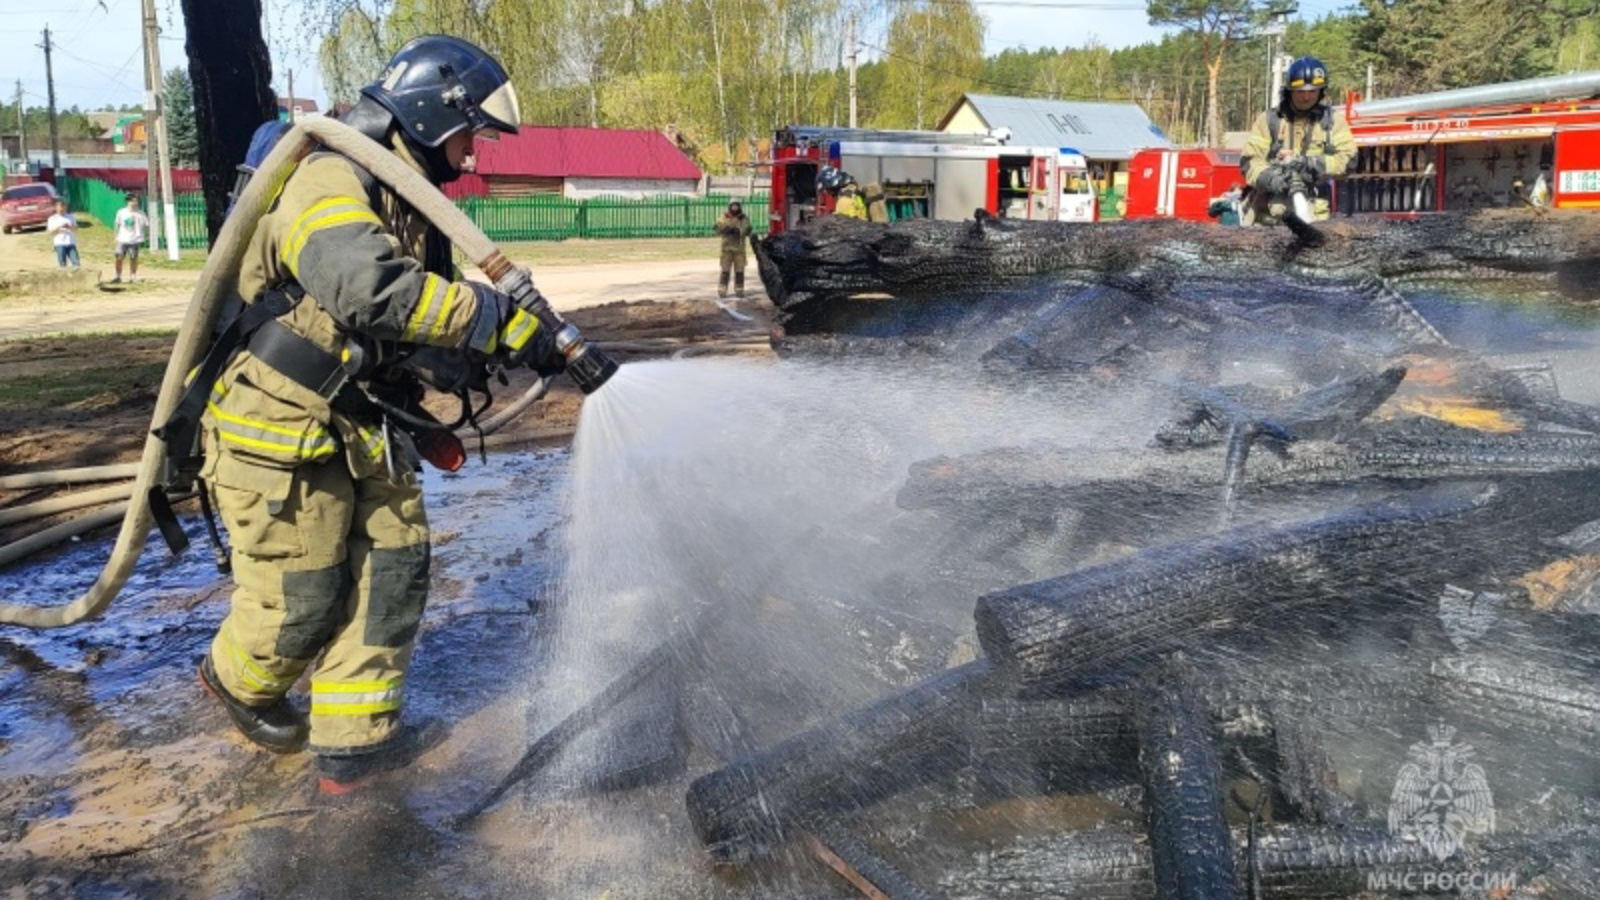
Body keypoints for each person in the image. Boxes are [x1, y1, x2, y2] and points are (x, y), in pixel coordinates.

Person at [193, 34, 566, 796]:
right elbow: (370, 289)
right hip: (279, 429)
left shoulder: (405, 198)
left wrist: (501, 351)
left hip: (363, 421)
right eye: (471, 135)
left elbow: (413, 326)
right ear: (432, 111)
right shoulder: (326, 174)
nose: (473, 157)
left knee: (394, 569)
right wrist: (494, 317)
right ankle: (238, 680)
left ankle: (353, 743)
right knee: (303, 595)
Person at [1240, 56, 1356, 226]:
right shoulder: (1269, 120)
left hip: (1315, 218)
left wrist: (1309, 164)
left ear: (1321, 91)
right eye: (1300, 91)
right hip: (1268, 219)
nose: (1306, 97)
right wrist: (1272, 178)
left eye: (1312, 91)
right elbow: (1249, 162)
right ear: (1289, 91)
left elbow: (1349, 162)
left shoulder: (1333, 122)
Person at [714, 199, 752, 299]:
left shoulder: (743, 218)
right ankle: (722, 290)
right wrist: (724, 228)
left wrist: (738, 230)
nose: (734, 208)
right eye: (733, 206)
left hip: (739, 250)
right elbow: (717, 227)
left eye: (736, 206)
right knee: (725, 270)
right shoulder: (724, 217)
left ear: (739, 207)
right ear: (729, 207)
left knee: (739, 271)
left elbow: (747, 228)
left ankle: (739, 290)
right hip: (726, 249)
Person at [111, 193, 150, 283]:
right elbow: (117, 224)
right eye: (133, 201)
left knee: (133, 258)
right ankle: (118, 276)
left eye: (136, 201)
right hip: (122, 239)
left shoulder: (141, 213)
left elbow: (147, 225)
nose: (135, 203)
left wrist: (147, 235)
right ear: (128, 202)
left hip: (135, 240)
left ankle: (133, 276)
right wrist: (115, 236)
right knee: (119, 257)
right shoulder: (121, 212)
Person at [46, 199, 80, 269]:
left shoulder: (71, 217)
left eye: (63, 209)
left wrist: (70, 227)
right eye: (60, 210)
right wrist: (59, 227)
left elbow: (76, 228)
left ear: (65, 208)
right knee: (62, 264)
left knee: (76, 262)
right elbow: (50, 232)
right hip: (59, 243)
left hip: (70, 242)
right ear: (56, 208)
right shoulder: (52, 219)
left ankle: (76, 278)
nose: (61, 211)